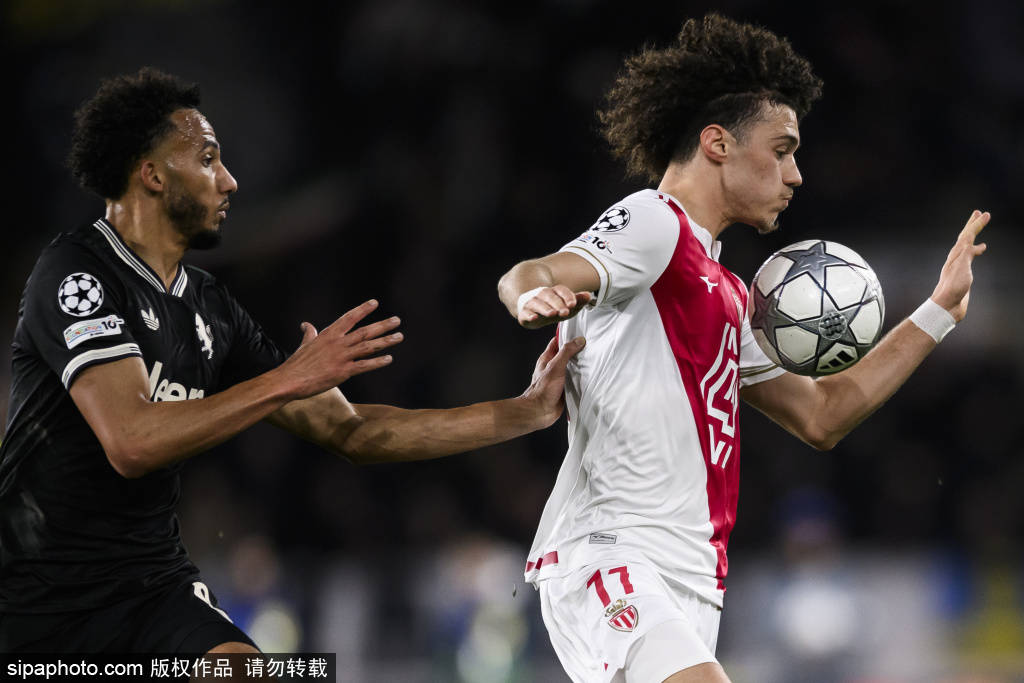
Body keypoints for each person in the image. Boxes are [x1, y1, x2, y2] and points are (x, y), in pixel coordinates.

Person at [0, 67, 584, 657]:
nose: (229, 181)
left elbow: (351, 430)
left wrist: (525, 411)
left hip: (153, 589)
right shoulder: (77, 273)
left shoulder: (210, 307)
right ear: (151, 174)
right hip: (41, 600)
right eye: (208, 160)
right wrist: (286, 379)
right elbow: (131, 441)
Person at [497, 14, 989, 683]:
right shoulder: (655, 223)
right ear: (718, 143)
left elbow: (822, 414)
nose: (796, 175)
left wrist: (938, 312)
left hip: (691, 579)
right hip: (613, 555)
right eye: (782, 150)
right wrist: (532, 296)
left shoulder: (726, 292)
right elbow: (531, 272)